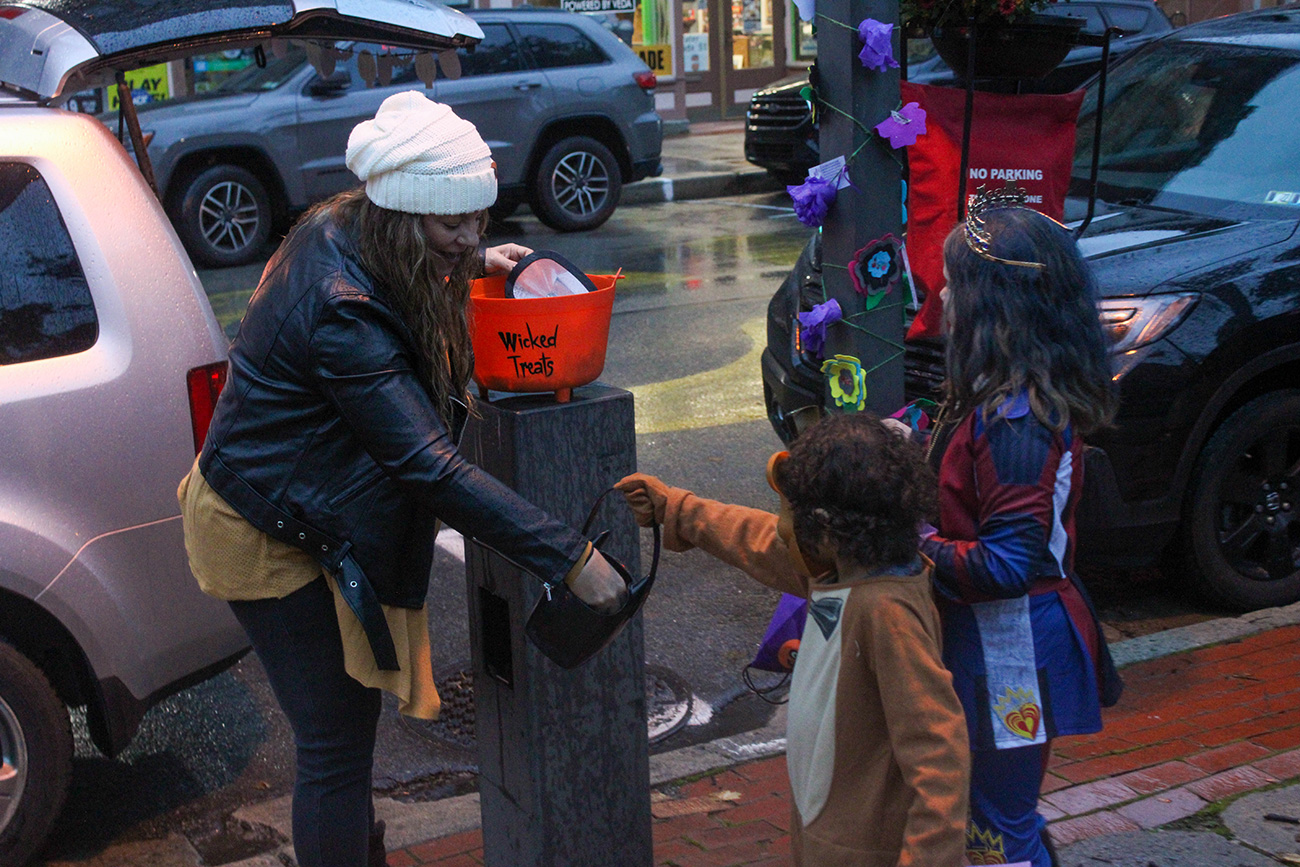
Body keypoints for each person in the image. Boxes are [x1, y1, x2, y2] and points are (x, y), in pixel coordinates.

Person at [178, 92, 627, 867]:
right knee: (334, 744)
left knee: (346, 733)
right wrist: (571, 557)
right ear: (402, 213)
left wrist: (471, 260)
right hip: (263, 526)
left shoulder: (351, 228)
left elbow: (415, 269)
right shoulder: (341, 310)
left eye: (479, 220)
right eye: (453, 224)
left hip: (309, 507)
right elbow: (425, 465)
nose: (471, 236)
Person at [616, 414, 970, 867]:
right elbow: (754, 538)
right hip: (827, 837)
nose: (782, 526)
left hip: (864, 852)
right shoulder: (840, 571)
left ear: (825, 527)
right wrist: (677, 509)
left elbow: (939, 751)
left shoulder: (885, 613)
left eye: (789, 513)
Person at [919, 194, 1124, 867]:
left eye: (954, 283)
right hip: (1010, 642)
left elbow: (1006, 565)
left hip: (1012, 652)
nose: (942, 295)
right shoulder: (1006, 398)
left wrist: (911, 543)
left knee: (994, 828)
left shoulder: (1015, 422)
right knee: (998, 815)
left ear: (991, 304)